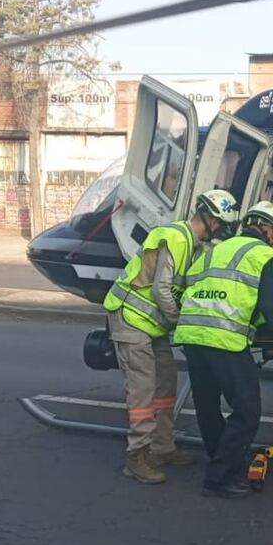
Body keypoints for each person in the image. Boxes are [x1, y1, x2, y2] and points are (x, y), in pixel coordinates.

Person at [174, 201, 273, 499]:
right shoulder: (267, 256)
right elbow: (269, 306)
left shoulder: (212, 251)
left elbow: (193, 289)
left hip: (191, 334)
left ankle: (220, 463)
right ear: (268, 229)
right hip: (225, 338)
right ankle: (220, 478)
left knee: (207, 406)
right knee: (247, 411)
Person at [103, 189, 241, 484]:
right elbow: (160, 290)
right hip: (130, 318)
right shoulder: (177, 237)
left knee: (166, 383)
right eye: (222, 227)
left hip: (153, 324)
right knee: (143, 389)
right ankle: (137, 457)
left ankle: (161, 446)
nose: (221, 234)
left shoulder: (194, 246)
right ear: (212, 220)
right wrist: (182, 323)